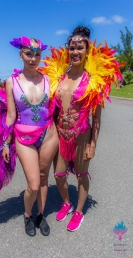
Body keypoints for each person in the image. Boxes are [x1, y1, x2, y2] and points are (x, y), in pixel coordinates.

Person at [0, 37, 59, 237]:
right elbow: (10, 115)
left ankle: (41, 215)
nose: (33, 58)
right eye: (28, 54)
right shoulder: (11, 82)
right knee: (33, 184)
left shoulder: (48, 79)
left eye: (37, 54)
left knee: (43, 178)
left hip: (49, 134)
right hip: (23, 137)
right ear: (20, 54)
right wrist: (5, 143)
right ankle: (27, 215)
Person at [40, 26, 123, 232]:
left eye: (79, 48)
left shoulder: (93, 80)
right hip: (60, 135)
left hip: (81, 135)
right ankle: (67, 203)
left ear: (87, 51)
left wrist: (93, 144)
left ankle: (78, 211)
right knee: (59, 175)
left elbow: (96, 119)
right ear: (67, 50)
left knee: (80, 175)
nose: (75, 52)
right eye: (71, 48)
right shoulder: (59, 77)